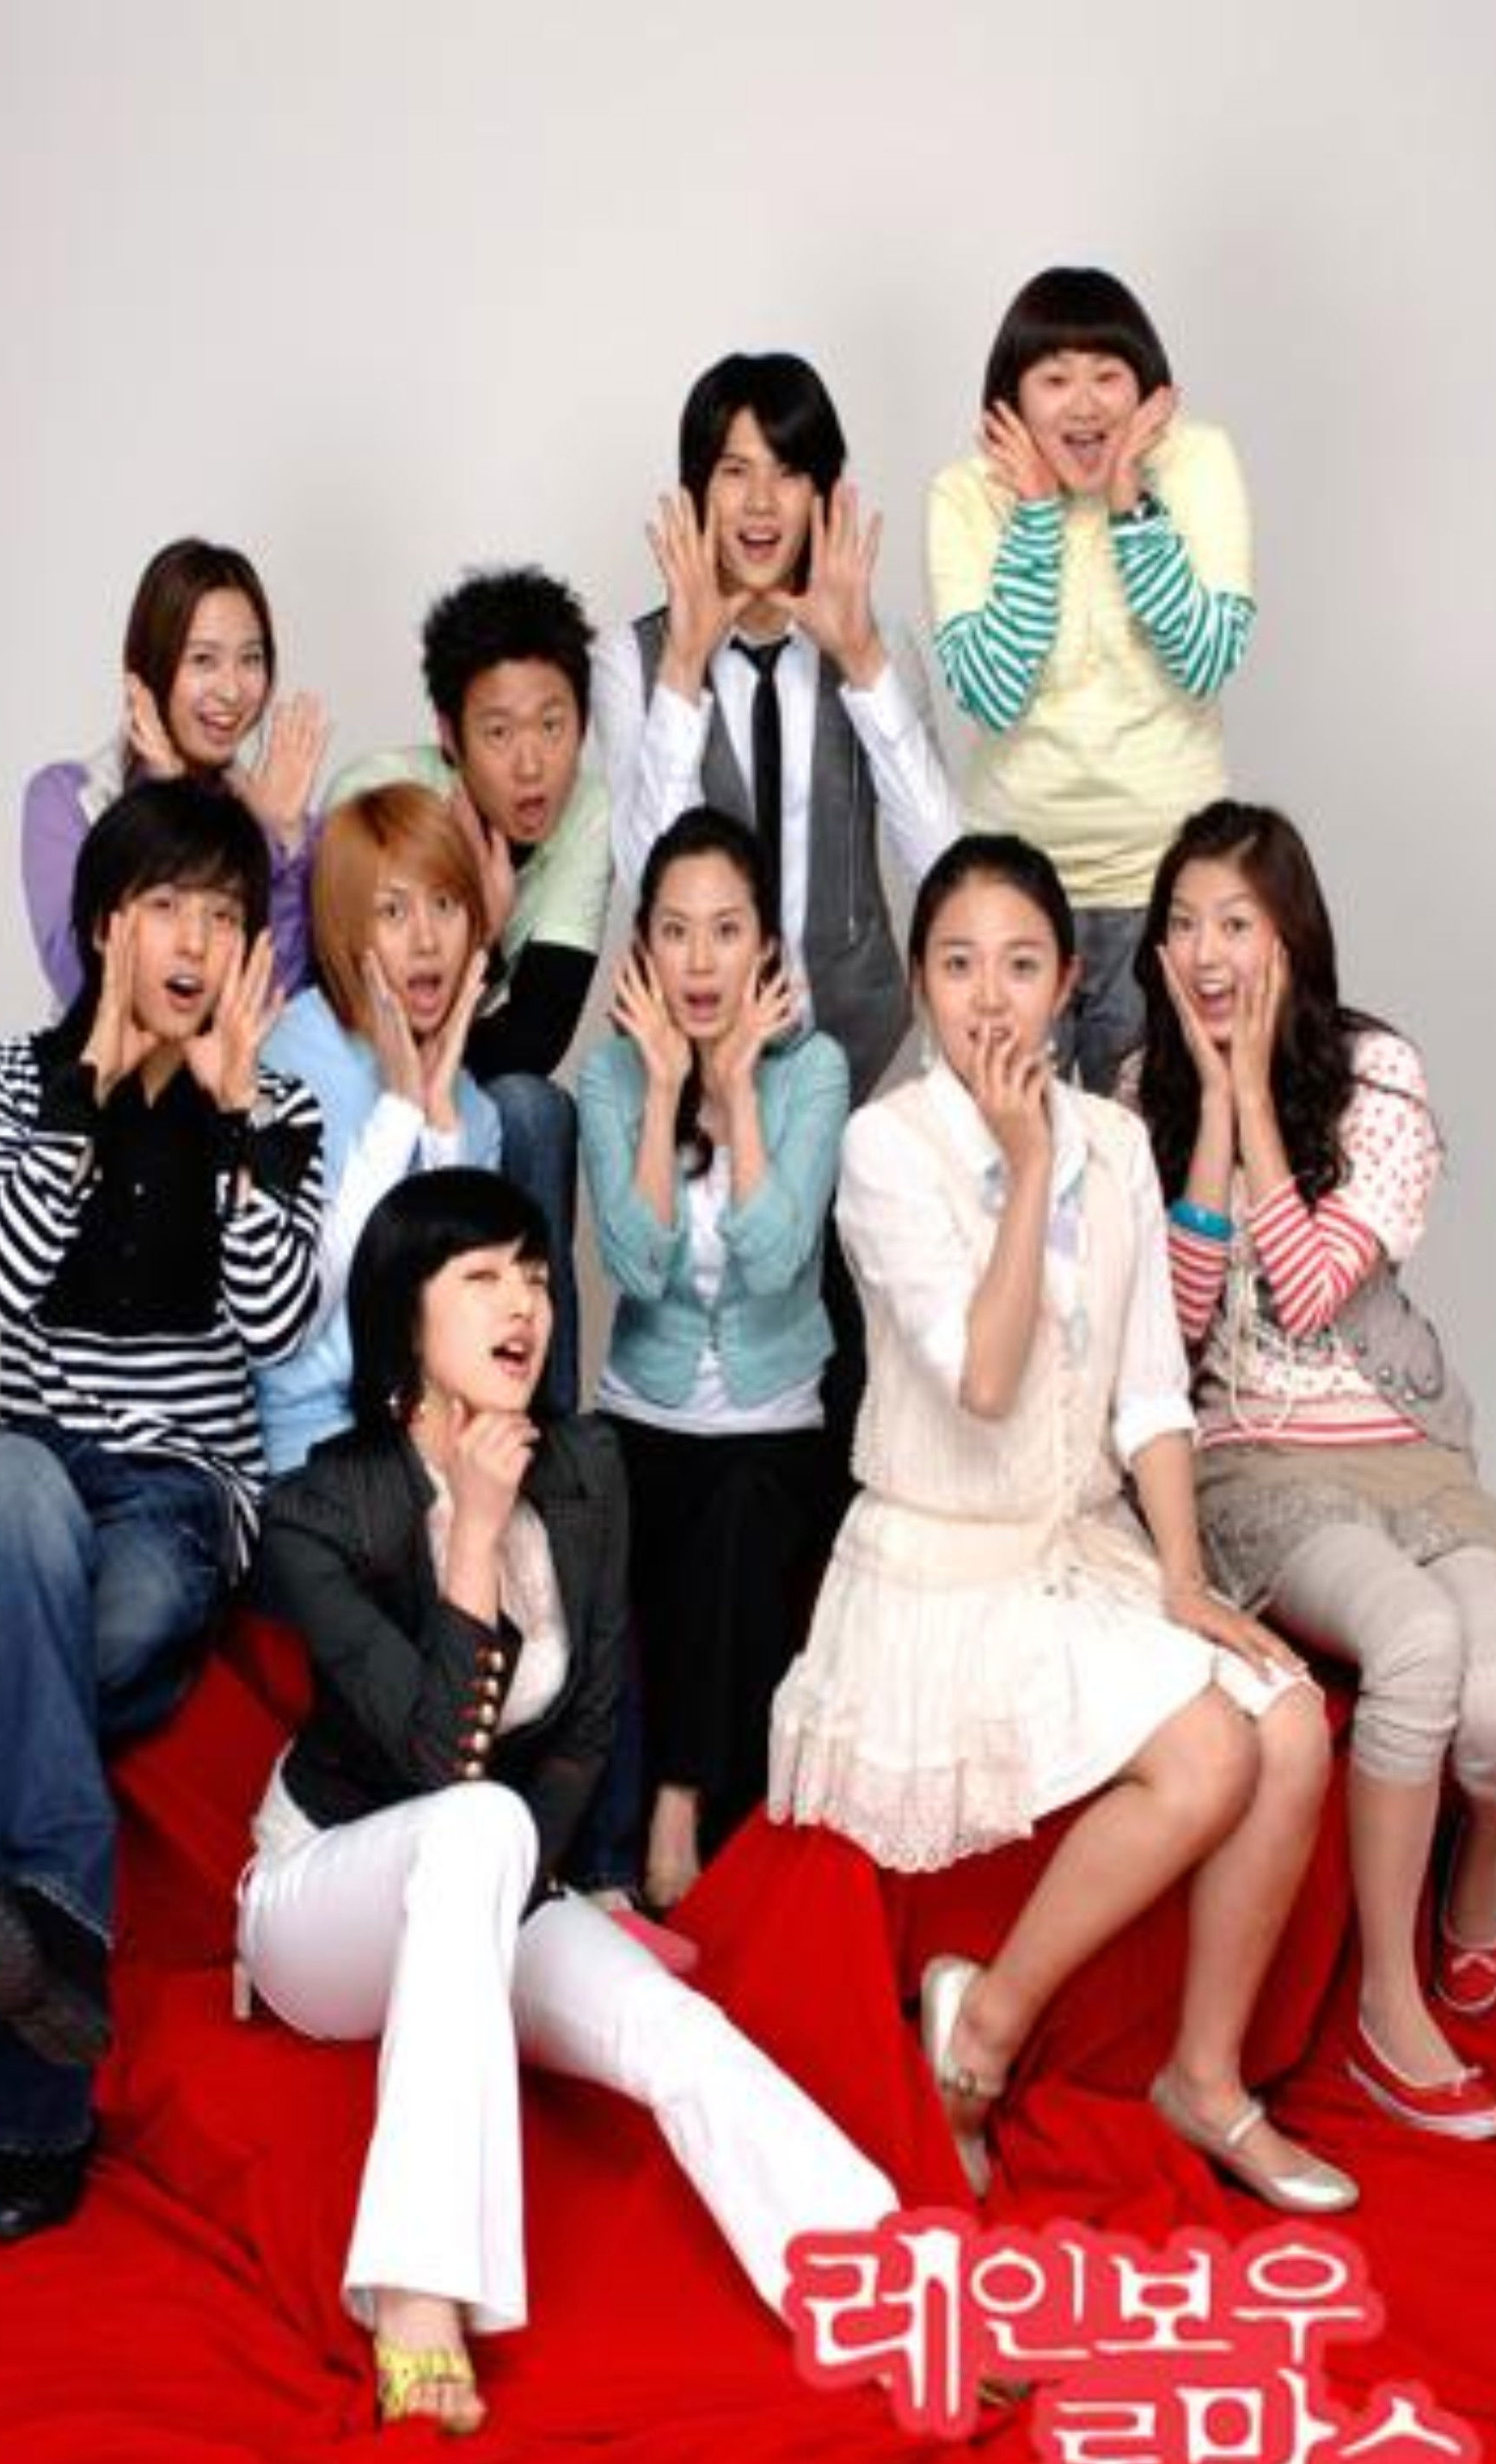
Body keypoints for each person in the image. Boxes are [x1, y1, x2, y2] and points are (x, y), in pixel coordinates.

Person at [238, 1168, 894, 2433]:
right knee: (475, 1822)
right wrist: (472, 1536)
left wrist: (518, 1908)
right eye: (481, 1277)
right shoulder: (321, 1512)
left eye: (535, 1276)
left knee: (668, 2028)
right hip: (324, 1904)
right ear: (405, 1316)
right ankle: (417, 2292)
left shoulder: (586, 1468)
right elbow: (437, 1765)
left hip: (490, 1876)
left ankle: (875, 2279)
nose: (524, 1306)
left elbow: (587, 1731)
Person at [768, 834, 1352, 2214]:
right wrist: (1029, 1169)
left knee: (1288, 1721)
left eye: (1021, 965)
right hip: (945, 1568)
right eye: (958, 965)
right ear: (920, 983)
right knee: (1209, 1758)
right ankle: (982, 2031)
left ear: (1068, 979)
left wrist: (1186, 1582)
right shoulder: (887, 1148)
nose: (990, 999)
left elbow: (1150, 1390)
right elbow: (982, 1379)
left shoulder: (1118, 1142)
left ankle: (1204, 2079)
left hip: (1079, 1547)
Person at [0, 780, 323, 2242]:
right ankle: (62, 1962)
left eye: (223, 914)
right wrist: (85, 1107)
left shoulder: (271, 1105)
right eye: (167, 908)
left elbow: (278, 1322)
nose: (197, 942)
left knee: (42, 1652)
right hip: (34, 1476)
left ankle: (26, 2108)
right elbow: (1, 1280)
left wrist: (232, 1122)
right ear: (105, 927)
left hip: (179, 1494)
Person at [1134, 798, 1496, 2141]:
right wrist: (1211, 1107)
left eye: (1235, 922)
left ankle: (1484, 1855)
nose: (1206, 953)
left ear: (1291, 935)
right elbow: (1181, 1327)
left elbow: (1309, 1286)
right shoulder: (1138, 1089)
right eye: (1184, 925)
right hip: (1261, 1464)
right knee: (1414, 1640)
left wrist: (1254, 1093)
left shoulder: (1380, 1077)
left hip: (1406, 1445)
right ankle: (1387, 2013)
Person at [579, 807, 847, 1908]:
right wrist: (660, 1093)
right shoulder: (610, 1077)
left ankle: (679, 1800)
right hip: (642, 1410)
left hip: (773, 1420)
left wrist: (736, 1094)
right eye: (676, 931)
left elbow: (778, 1259)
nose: (699, 962)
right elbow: (637, 1268)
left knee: (734, 1514)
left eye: (726, 931)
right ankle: (611, 1842)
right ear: (643, 945)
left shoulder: (812, 1070)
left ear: (764, 948)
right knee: (611, 1510)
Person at [594, 350, 957, 1110]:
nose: (761, 504)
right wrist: (684, 667)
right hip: (693, 1071)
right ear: (697, 489)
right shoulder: (633, 659)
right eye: (735, 472)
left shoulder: (879, 643)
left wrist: (862, 662)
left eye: (788, 472)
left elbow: (948, 868)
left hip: (862, 1061)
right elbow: (648, 879)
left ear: (822, 492)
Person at [927, 270, 1254, 1092]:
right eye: (1054, 379)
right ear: (1010, 400)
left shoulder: (1197, 463)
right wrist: (1037, 516)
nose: (1083, 404)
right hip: (1014, 892)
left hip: (1165, 885)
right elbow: (992, 691)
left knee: (1156, 1142)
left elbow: (1207, 657)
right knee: (1001, 1141)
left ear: (1149, 393)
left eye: (1108, 376)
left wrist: (1129, 503)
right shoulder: (965, 494)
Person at [328, 567, 612, 1410]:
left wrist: (470, 957)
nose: (531, 765)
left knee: (533, 1107)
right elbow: (353, 1014)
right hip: (359, 1079)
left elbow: (536, 1040)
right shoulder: (378, 798)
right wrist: (479, 926)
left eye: (553, 726)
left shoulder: (588, 812)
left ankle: (546, 1434)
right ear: (448, 735)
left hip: (467, 1083)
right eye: (497, 732)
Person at [254, 783, 499, 1477]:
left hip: (436, 1438)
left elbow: (470, 1327)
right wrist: (399, 1111)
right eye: (392, 911)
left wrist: (441, 1122)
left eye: (445, 905)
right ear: (345, 928)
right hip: (313, 1441)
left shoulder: (475, 1108)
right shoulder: (283, 1060)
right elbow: (291, 1329)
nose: (426, 941)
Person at [23, 536, 328, 1007]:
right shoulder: (67, 799)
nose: (231, 690)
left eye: (251, 659)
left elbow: (278, 1012)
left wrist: (282, 838)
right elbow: (86, 984)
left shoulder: (284, 831)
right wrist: (171, 806)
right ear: (148, 667)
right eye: (203, 660)